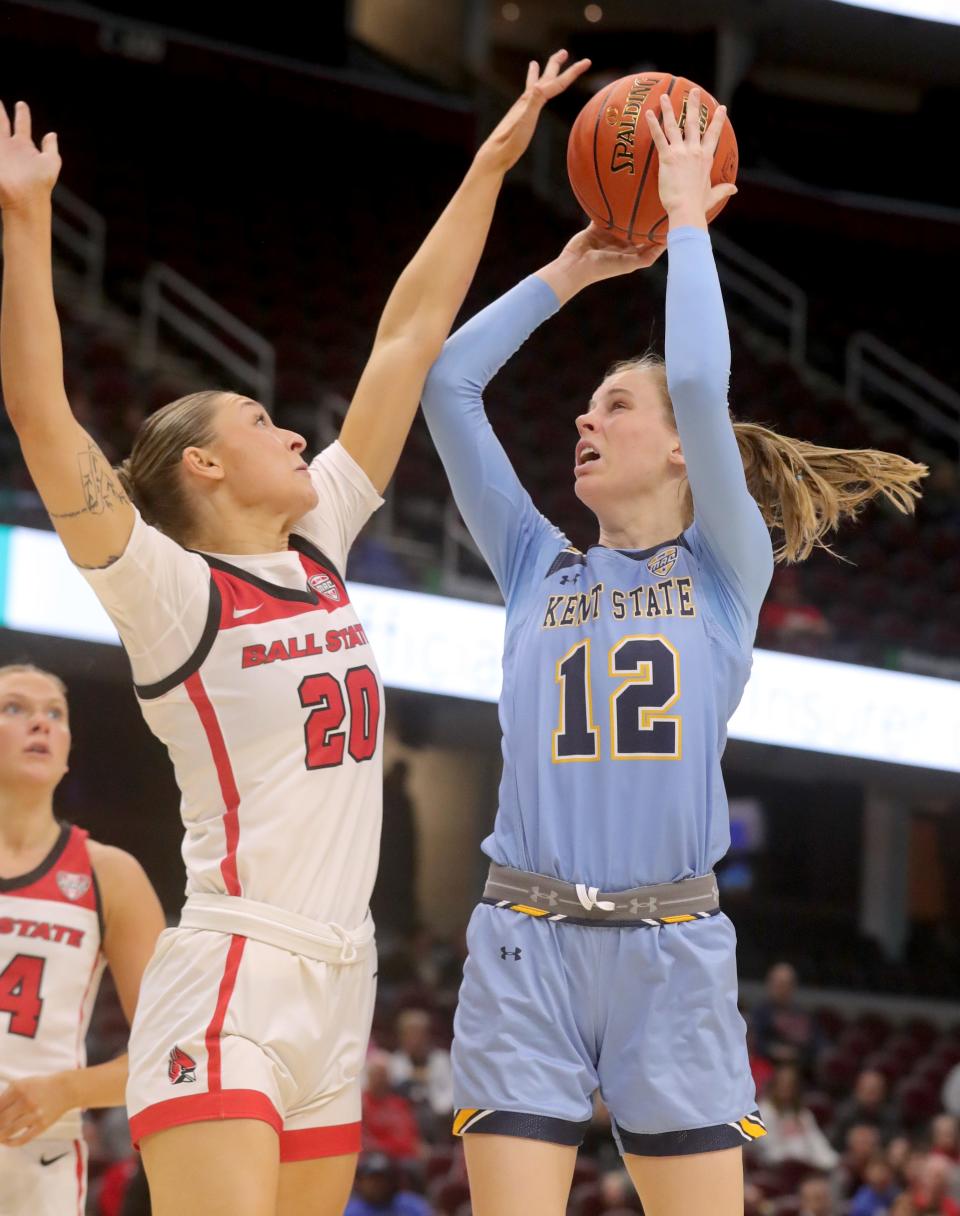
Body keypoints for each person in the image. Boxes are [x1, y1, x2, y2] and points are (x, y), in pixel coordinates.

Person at [0, 51, 591, 1216]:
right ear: (203, 463)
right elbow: (41, 413)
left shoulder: (317, 536)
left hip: (343, 976)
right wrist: (24, 228)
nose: (294, 433)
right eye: (263, 419)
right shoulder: (171, 591)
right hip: (232, 968)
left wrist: (490, 165)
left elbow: (405, 338)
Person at [420, 87, 926, 1216]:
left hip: (674, 947)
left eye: (611, 407)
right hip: (525, 942)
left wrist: (687, 214)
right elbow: (448, 382)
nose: (583, 425)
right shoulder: (531, 560)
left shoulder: (724, 566)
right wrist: (565, 276)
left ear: (686, 459)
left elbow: (699, 380)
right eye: (584, 412)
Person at [0, 664, 164, 1215]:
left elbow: (168, 1050)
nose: (40, 724)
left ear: (68, 750)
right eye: (15, 709)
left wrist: (67, 1090)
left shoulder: (109, 874)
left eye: (55, 715)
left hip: (36, 1154)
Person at [756, 1064, 839, 1172]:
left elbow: (816, 1141)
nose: (785, 1089)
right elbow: (768, 1149)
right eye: (782, 1084)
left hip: (808, 1166)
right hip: (777, 1168)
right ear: (773, 1086)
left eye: (790, 1085)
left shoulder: (803, 1114)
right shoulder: (763, 1112)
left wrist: (832, 1161)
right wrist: (797, 1161)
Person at [751, 962, 823, 1071]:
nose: (783, 989)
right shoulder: (759, 1013)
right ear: (770, 984)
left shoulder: (803, 1014)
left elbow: (818, 1042)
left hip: (800, 1068)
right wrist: (774, 1050)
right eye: (779, 984)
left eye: (787, 984)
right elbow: (755, 1043)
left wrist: (798, 1053)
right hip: (768, 1068)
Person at [343, 1152, 430, 1216]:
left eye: (383, 1180)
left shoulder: (412, 1205)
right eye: (373, 1180)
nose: (378, 1186)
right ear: (361, 1182)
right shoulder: (350, 1211)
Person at [831, 1068, 899, 1149]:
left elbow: (895, 1139)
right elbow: (834, 1143)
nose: (872, 1097)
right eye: (868, 1091)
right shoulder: (844, 1114)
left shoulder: (891, 1115)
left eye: (875, 1091)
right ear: (857, 1091)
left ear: (883, 1092)